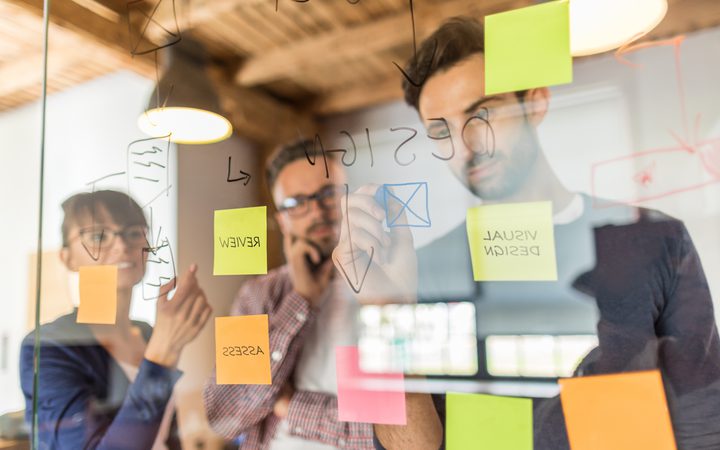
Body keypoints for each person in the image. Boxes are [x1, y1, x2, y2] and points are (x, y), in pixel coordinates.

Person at [334, 17, 720, 450]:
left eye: (483, 112)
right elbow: (404, 446)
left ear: (535, 103)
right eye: (441, 131)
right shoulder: (414, 272)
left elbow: (705, 420)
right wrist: (388, 309)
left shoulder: (654, 238)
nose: (467, 144)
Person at [203, 140, 374, 449]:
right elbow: (224, 415)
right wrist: (301, 299)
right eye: (296, 203)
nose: (318, 212)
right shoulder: (256, 295)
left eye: (329, 193)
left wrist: (291, 405)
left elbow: (389, 434)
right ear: (282, 221)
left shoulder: (387, 286)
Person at [20, 190, 212, 449]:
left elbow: (164, 434)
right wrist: (163, 353)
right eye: (98, 236)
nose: (122, 246)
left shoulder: (147, 333)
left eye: (133, 233)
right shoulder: (49, 346)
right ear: (67, 258)